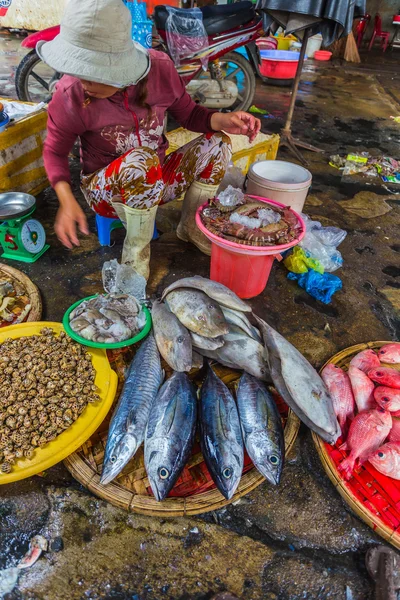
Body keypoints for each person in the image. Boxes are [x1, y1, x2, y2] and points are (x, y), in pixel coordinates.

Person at [39, 0, 261, 279]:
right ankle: (135, 258)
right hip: (105, 190)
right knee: (140, 160)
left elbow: (190, 114)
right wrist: (66, 199)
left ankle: (190, 228)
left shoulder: (160, 70)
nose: (84, 83)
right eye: (79, 71)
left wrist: (222, 120)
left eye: (92, 74)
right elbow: (55, 152)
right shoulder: (70, 93)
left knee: (218, 143)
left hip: (155, 180)